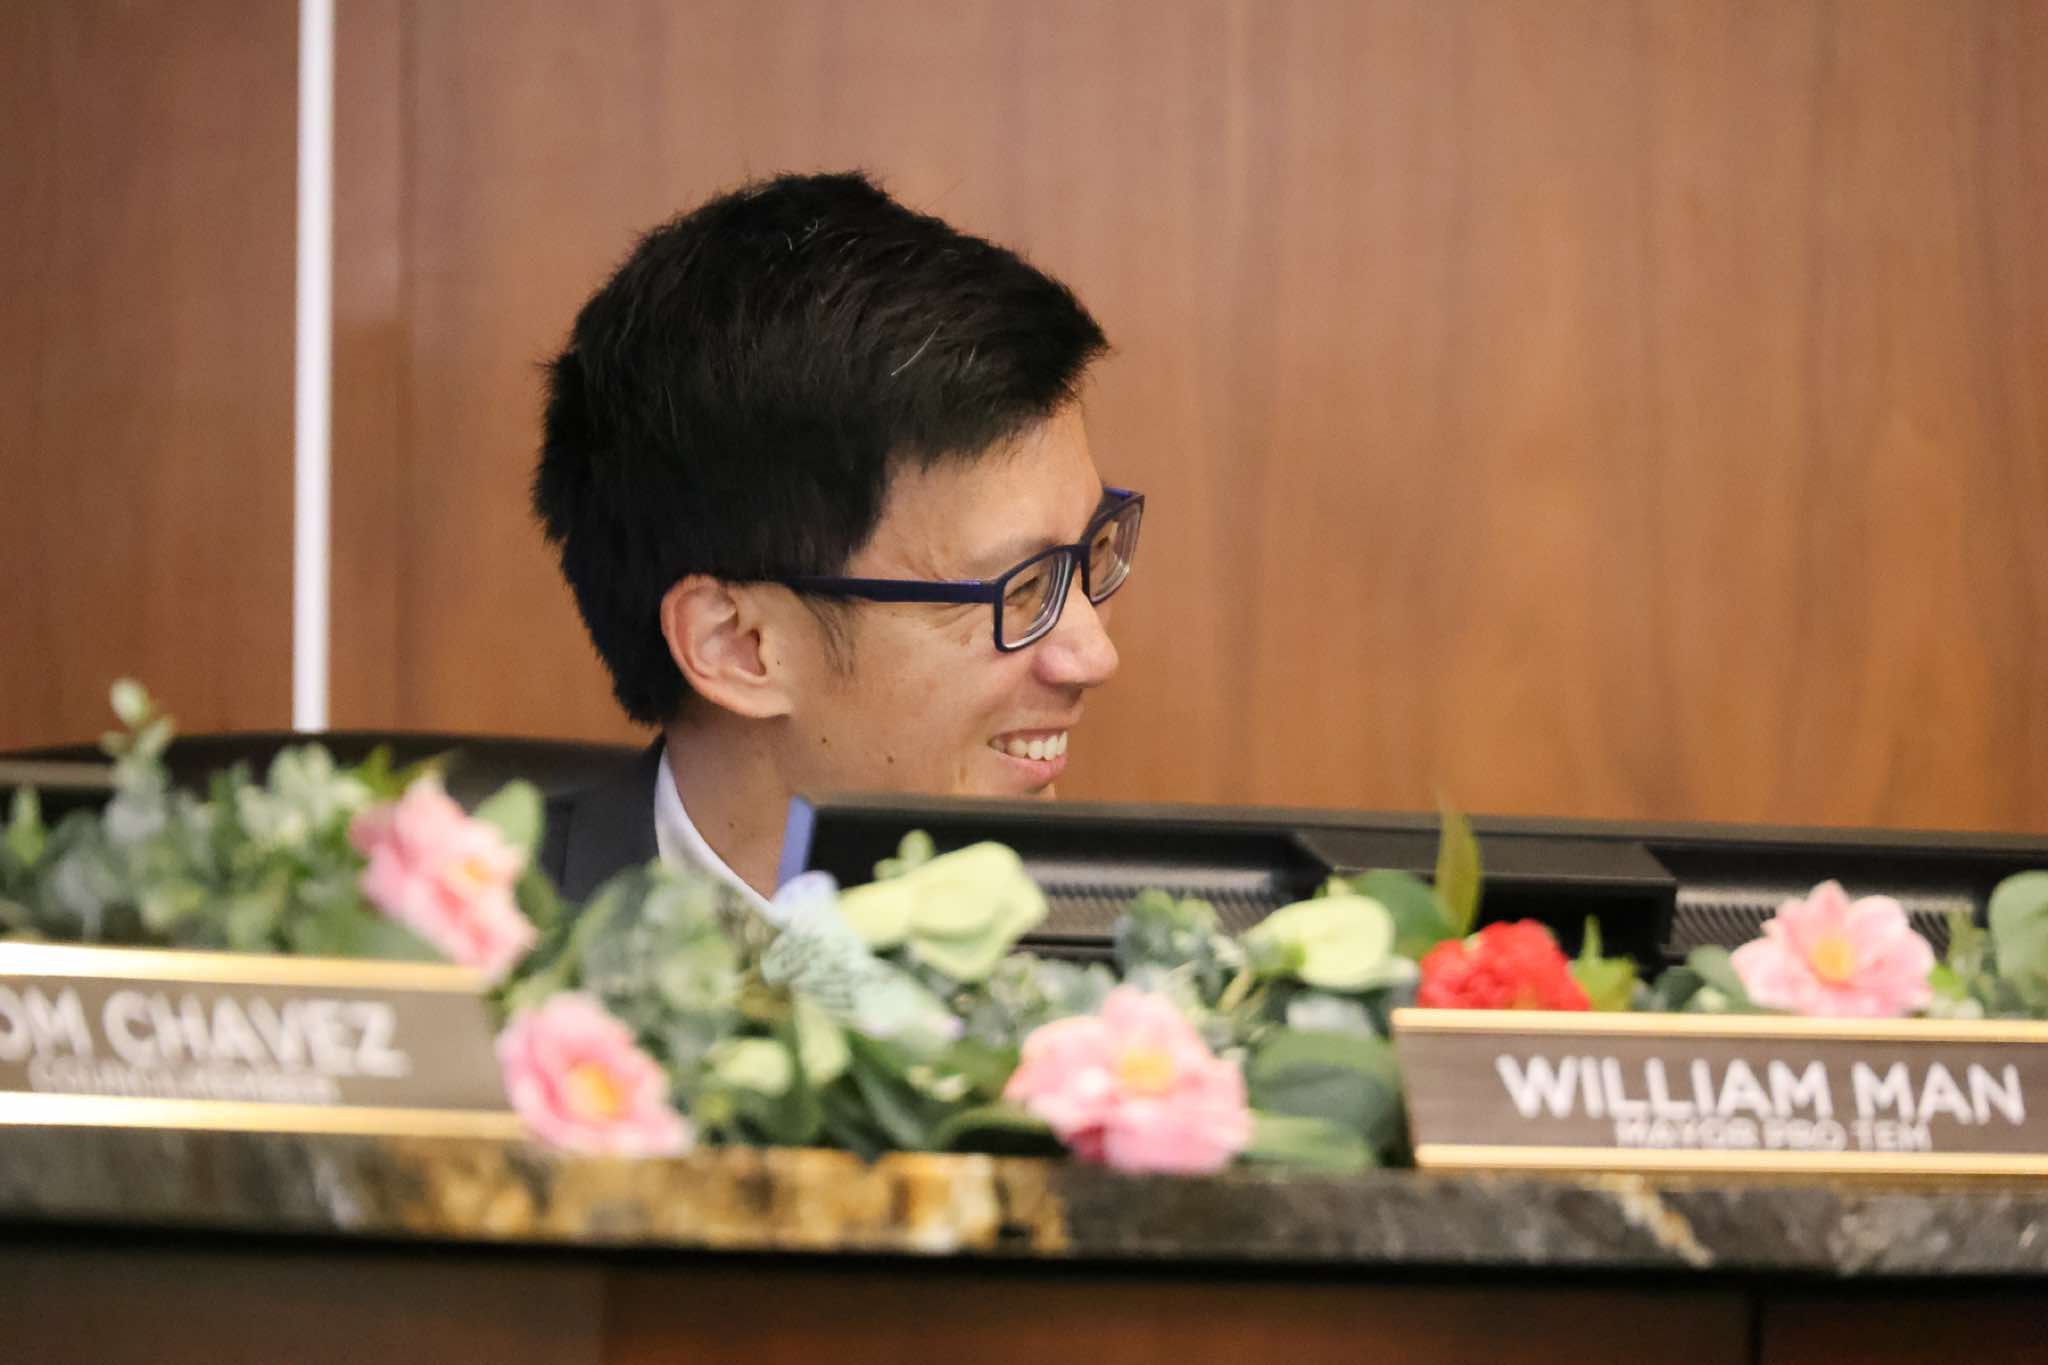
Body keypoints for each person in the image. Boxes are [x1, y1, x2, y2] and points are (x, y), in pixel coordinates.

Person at [532, 172, 1140, 907]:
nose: (1094, 656)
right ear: (738, 645)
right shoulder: (462, 961)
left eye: (1089, 553)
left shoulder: (1148, 958)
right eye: (1022, 587)